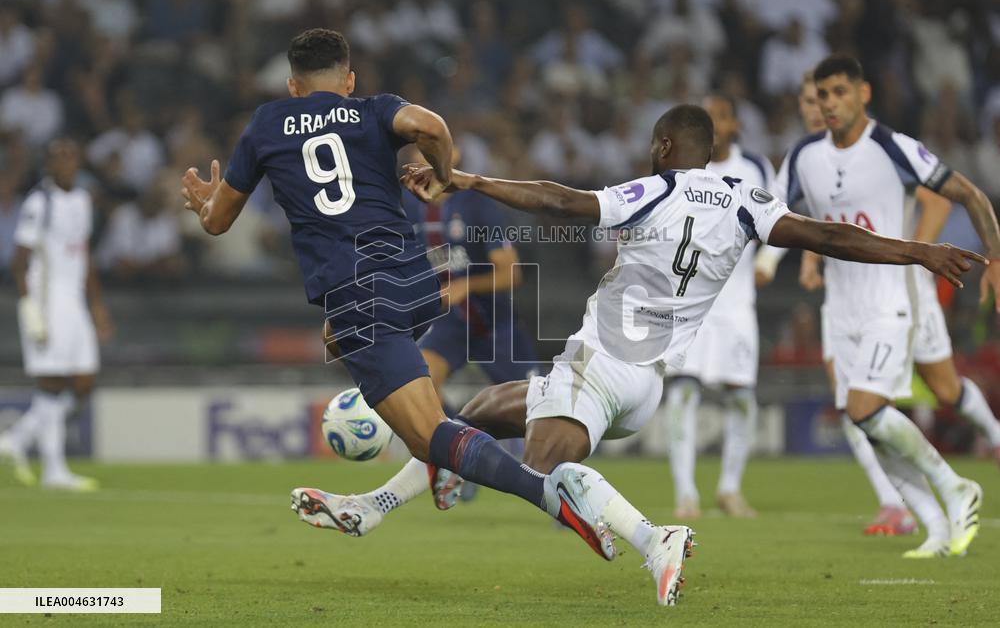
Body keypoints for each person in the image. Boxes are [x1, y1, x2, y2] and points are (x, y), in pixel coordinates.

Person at [296, 103, 982, 606]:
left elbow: (560, 201)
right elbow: (831, 238)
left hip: (602, 363)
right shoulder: (748, 200)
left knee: (543, 473)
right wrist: (919, 250)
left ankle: (656, 538)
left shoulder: (653, 190)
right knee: (479, 412)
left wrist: (469, 182)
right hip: (646, 381)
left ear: (661, 146)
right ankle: (375, 506)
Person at [179, 28, 670, 592]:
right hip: (414, 278)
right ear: (349, 79)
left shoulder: (267, 123)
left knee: (429, 436)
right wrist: (442, 172)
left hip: (357, 290)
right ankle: (413, 472)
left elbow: (218, 222)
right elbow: (430, 127)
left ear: (293, 86)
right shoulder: (373, 110)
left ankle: (553, 495)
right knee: (356, 350)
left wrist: (204, 203)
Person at [772, 55, 1000, 558]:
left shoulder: (892, 148)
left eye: (839, 92)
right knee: (867, 424)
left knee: (866, 408)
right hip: (843, 308)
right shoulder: (803, 156)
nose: (830, 103)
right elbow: (771, 218)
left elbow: (968, 193)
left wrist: (996, 258)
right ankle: (938, 528)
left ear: (863, 94)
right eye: (822, 94)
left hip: (889, 303)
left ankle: (956, 484)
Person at [401, 148, 540, 503]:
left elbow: (511, 273)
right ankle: (460, 457)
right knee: (419, 385)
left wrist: (466, 286)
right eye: (416, 158)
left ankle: (565, 483)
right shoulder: (406, 208)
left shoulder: (477, 205)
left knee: (539, 409)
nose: (423, 167)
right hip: (450, 324)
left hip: (494, 322)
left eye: (430, 156)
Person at [664, 93, 774, 520]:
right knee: (683, 393)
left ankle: (729, 488)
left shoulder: (754, 169)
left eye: (721, 116)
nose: (714, 123)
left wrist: (767, 259)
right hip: (689, 302)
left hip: (736, 304)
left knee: (742, 398)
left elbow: (780, 215)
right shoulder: (683, 169)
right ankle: (686, 494)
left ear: (733, 125)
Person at [0, 139, 111, 490]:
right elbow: (19, 261)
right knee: (52, 382)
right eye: (58, 159)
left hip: (75, 300)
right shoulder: (39, 202)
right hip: (47, 300)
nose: (66, 164)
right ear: (47, 165)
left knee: (83, 381)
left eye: (70, 157)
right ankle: (53, 468)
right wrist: (30, 309)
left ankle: (17, 438)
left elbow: (84, 255)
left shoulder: (81, 200)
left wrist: (97, 306)